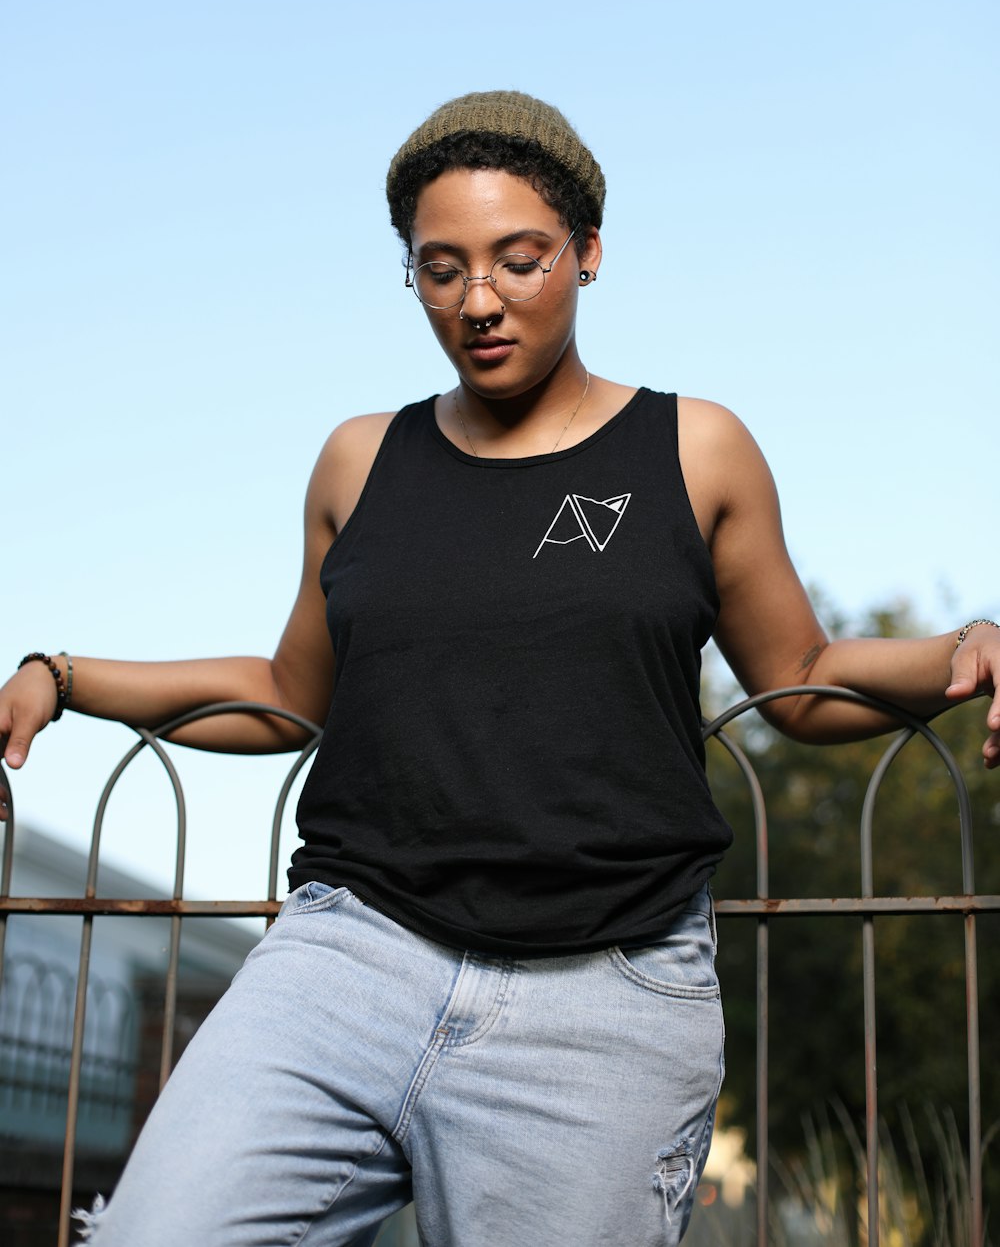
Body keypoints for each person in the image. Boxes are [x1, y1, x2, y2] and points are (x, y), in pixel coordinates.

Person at [1, 90, 998, 1247]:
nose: (478, 300)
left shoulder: (694, 447)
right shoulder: (359, 459)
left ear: (585, 253)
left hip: (602, 996)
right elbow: (286, 693)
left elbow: (804, 672)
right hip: (349, 955)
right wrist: (66, 677)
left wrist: (960, 651)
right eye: (440, 269)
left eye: (517, 260)